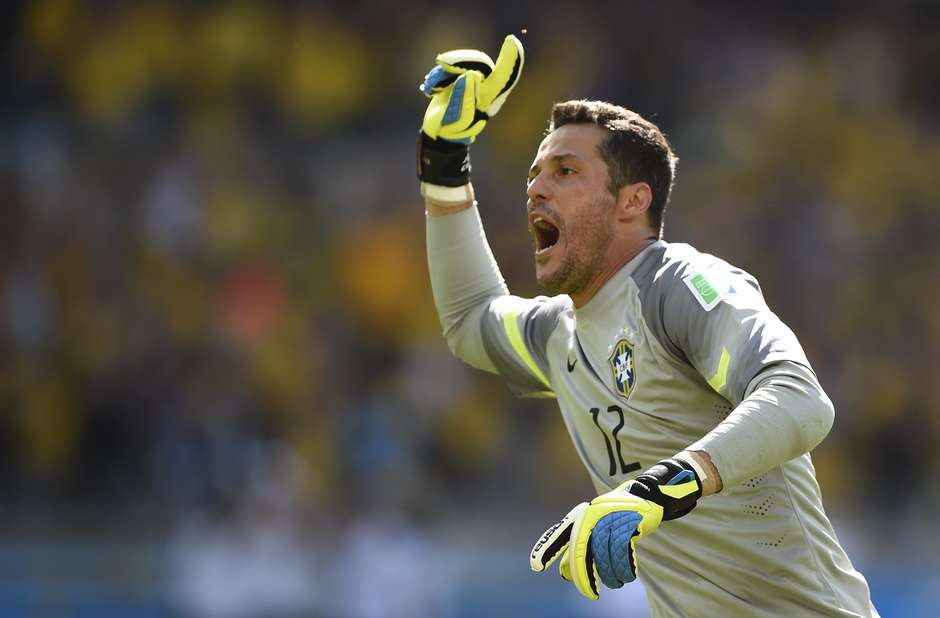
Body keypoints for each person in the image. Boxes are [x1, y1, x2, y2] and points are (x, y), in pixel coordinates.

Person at [418, 35, 879, 617]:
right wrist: (443, 163)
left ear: (631, 201)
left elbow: (801, 399)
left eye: (565, 171)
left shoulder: (680, 286)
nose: (535, 188)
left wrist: (662, 487)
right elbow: (470, 320)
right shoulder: (561, 334)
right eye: (535, 174)